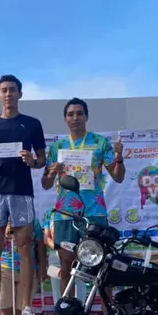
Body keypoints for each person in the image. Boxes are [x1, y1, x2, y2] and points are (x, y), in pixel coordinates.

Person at [0, 74, 46, 315]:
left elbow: (42, 160)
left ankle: (27, 307)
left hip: (21, 191)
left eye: (12, 90)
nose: (8, 94)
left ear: (20, 94)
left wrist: (32, 162)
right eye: (4, 90)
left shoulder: (32, 124)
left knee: (25, 248)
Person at [42, 97, 126, 298]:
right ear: (65, 119)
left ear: (86, 117)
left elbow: (119, 177)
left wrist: (119, 158)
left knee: (101, 267)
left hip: (94, 211)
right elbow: (45, 184)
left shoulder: (100, 142)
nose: (75, 118)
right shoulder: (57, 147)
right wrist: (51, 172)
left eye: (79, 113)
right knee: (66, 265)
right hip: (65, 213)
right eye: (70, 114)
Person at [0, 217, 47, 315]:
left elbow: (40, 244)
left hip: (27, 270)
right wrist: (3, 235)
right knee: (5, 308)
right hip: (5, 269)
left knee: (21, 310)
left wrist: (42, 267)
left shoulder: (31, 219)